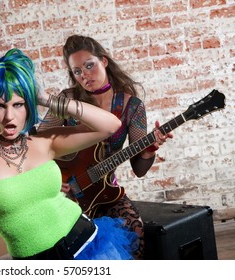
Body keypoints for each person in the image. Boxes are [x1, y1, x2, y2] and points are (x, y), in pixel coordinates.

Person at [0, 48, 139, 260]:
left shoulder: (41, 141)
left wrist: (47, 99)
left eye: (18, 104)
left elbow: (111, 125)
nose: (10, 116)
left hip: (88, 246)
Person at [37, 34, 173, 259]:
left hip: (106, 191)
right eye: (77, 71)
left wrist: (149, 150)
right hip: (68, 192)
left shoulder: (132, 107)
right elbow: (38, 141)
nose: (85, 75)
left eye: (89, 65)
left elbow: (139, 169)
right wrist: (50, 179)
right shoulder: (68, 100)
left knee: (135, 228)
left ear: (104, 61)